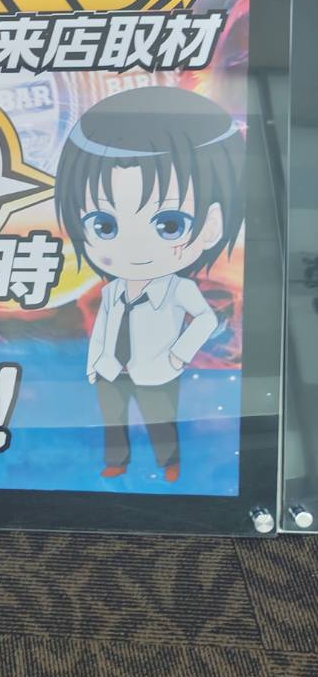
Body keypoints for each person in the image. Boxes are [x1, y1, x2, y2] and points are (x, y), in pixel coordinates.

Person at [53, 85, 244, 482]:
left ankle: (169, 463)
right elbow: (103, 328)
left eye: (169, 224)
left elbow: (206, 320)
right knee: (113, 419)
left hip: (157, 370)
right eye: (103, 225)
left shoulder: (180, 288)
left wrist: (177, 356)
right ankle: (117, 462)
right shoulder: (111, 290)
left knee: (160, 419)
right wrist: (94, 363)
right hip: (111, 370)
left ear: (211, 226)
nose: (134, 247)